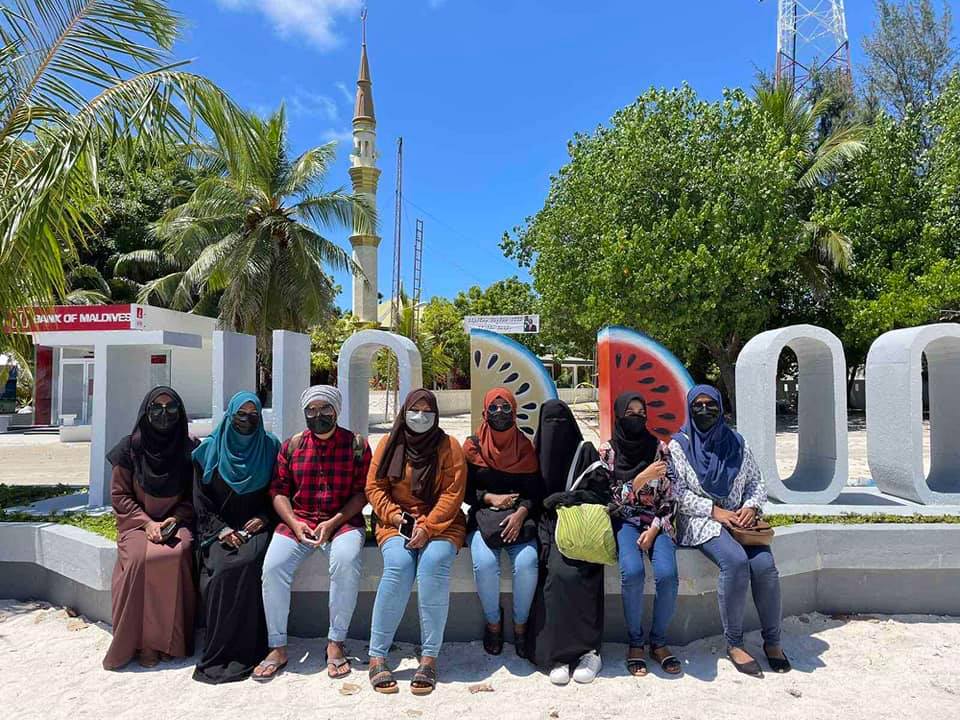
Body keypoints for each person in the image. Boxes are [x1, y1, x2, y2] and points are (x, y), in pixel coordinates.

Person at [670, 384, 791, 677]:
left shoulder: (737, 443)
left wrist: (750, 507)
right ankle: (734, 643)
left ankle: (772, 641)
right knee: (735, 562)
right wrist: (716, 512)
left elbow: (756, 483)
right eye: (697, 405)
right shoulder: (679, 446)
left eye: (710, 405)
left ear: (720, 408)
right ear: (689, 408)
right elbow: (678, 493)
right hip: (701, 520)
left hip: (740, 520)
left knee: (765, 566)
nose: (704, 410)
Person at [253, 386, 371, 681]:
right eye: (312, 410)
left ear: (336, 411)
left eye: (325, 409)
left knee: (345, 563)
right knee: (273, 567)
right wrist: (294, 522)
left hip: (342, 522)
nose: (318, 415)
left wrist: (332, 523)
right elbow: (279, 491)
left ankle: (335, 643)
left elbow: (361, 494)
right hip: (300, 521)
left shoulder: (356, 445)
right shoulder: (292, 446)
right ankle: (277, 646)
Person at [365, 389, 466, 696]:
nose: (420, 417)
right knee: (398, 565)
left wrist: (429, 526)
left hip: (443, 522)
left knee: (433, 565)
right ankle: (376, 656)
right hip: (396, 521)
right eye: (415, 410)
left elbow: (453, 493)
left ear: (435, 414)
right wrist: (397, 518)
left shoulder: (450, 446)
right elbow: (374, 486)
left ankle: (429, 657)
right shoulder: (389, 442)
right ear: (404, 411)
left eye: (427, 411)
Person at [102, 386, 198, 671]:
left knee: (178, 553)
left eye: (171, 408)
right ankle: (142, 643)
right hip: (137, 524)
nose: (164, 414)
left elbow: (196, 496)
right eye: (157, 407)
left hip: (176, 522)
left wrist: (175, 518)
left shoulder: (189, 449)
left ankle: (170, 642)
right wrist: (147, 523)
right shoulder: (129, 448)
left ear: (180, 413)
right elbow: (119, 495)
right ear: (146, 412)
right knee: (140, 560)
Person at [191, 391, 279, 684]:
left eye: (253, 415)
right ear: (230, 415)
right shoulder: (208, 451)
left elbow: (278, 493)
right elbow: (200, 501)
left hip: (256, 526)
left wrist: (265, 518)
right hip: (218, 528)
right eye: (241, 414)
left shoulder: (269, 448)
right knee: (221, 569)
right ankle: (218, 651)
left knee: (247, 563)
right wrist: (221, 530)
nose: (247, 420)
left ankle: (248, 650)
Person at [527, 399, 610, 686]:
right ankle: (556, 654)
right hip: (544, 527)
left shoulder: (584, 452)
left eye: (561, 422)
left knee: (580, 571)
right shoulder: (532, 452)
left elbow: (602, 494)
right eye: (549, 422)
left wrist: (568, 498)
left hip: (579, 525)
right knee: (553, 575)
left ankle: (589, 651)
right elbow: (527, 496)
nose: (555, 429)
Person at [601, 391, 681, 677]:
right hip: (625, 521)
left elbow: (672, 497)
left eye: (641, 411)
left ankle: (658, 642)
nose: (637, 417)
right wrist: (638, 481)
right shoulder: (608, 453)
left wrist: (655, 528)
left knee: (667, 576)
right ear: (619, 415)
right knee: (632, 573)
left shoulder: (660, 448)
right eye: (630, 412)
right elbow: (609, 501)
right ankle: (636, 643)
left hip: (658, 522)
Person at [463, 387, 541, 658]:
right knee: (484, 565)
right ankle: (493, 624)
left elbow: (535, 491)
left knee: (527, 563)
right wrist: (490, 498)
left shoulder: (525, 447)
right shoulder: (472, 446)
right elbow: (465, 491)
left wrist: (520, 514)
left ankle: (520, 626)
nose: (499, 413)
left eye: (505, 407)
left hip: (520, 521)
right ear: (485, 412)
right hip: (483, 521)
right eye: (493, 408)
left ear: (514, 411)